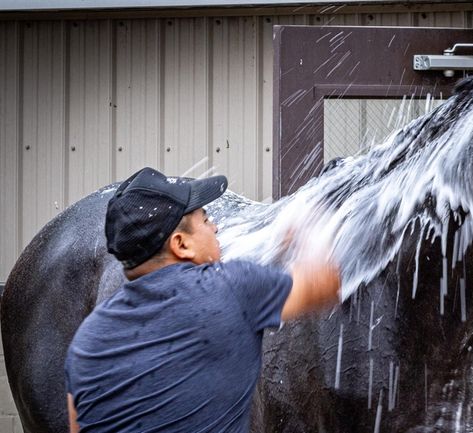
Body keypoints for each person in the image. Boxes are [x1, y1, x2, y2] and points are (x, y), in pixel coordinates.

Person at [65, 167, 341, 433]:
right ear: (181, 244)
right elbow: (324, 282)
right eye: (206, 220)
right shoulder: (230, 288)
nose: (216, 228)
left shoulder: (85, 343)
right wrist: (305, 220)